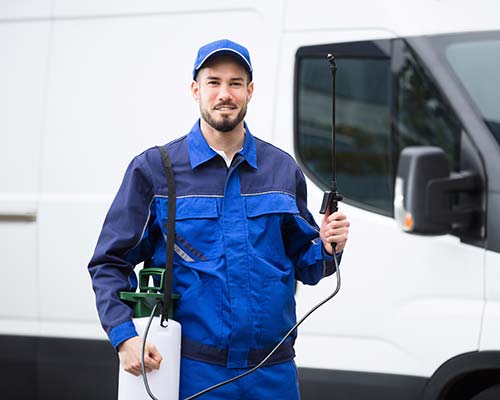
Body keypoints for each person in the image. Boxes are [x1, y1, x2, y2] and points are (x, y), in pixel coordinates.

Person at [88, 38, 350, 399]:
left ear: (250, 91)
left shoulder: (281, 170)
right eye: (214, 82)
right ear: (196, 90)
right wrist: (124, 336)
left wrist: (327, 246)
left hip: (273, 373)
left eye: (235, 83)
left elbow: (308, 265)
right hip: (194, 373)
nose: (224, 93)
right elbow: (109, 261)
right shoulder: (155, 171)